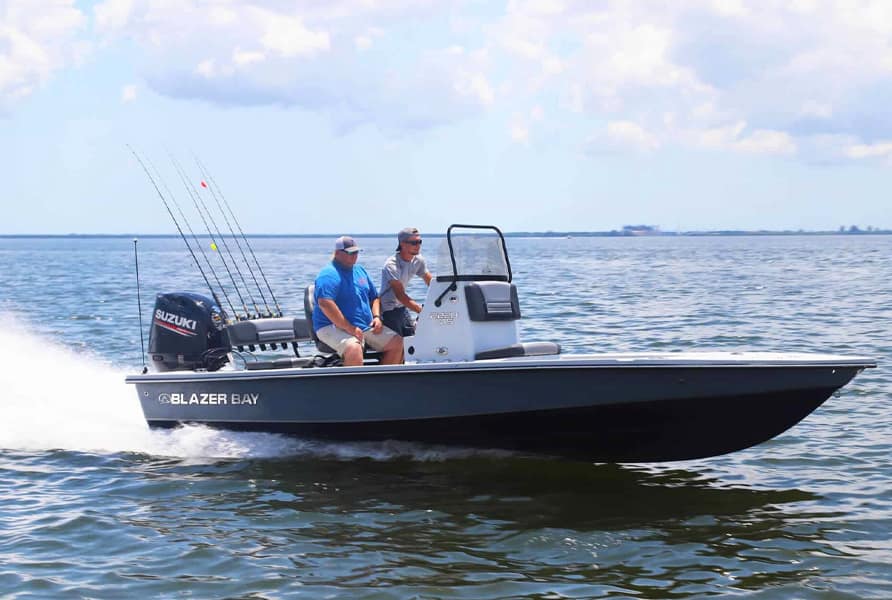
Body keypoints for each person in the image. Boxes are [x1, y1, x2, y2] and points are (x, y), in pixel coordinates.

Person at [313, 236, 403, 366]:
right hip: (330, 326)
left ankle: (382, 378)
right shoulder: (328, 274)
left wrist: (377, 317)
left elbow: (374, 298)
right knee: (354, 348)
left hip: (363, 326)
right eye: (350, 253)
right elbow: (325, 303)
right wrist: (349, 328)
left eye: (356, 252)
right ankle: (353, 380)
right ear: (337, 253)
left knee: (397, 343)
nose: (354, 255)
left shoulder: (360, 270)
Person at [379, 227, 433, 336]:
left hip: (402, 307)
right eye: (414, 243)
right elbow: (400, 295)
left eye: (419, 242)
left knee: (413, 337)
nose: (418, 245)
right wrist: (421, 310)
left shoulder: (418, 260)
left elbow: (431, 283)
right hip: (388, 309)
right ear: (402, 244)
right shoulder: (391, 265)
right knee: (400, 342)